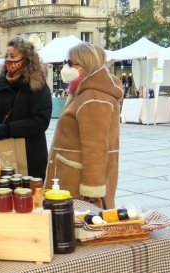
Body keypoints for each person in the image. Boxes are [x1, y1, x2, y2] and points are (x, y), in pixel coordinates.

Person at [46, 43, 123, 209]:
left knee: (78, 226)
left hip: (78, 181)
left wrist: (92, 191)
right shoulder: (83, 92)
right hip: (71, 174)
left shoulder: (93, 97)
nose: (66, 67)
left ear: (86, 65)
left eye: (71, 63)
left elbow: (95, 147)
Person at [0, 36, 52, 179]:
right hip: (3, 153)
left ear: (26, 60)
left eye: (13, 56)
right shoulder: (0, 83)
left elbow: (40, 122)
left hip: (30, 155)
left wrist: (8, 129)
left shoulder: (37, 86)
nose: (8, 60)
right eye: (7, 56)